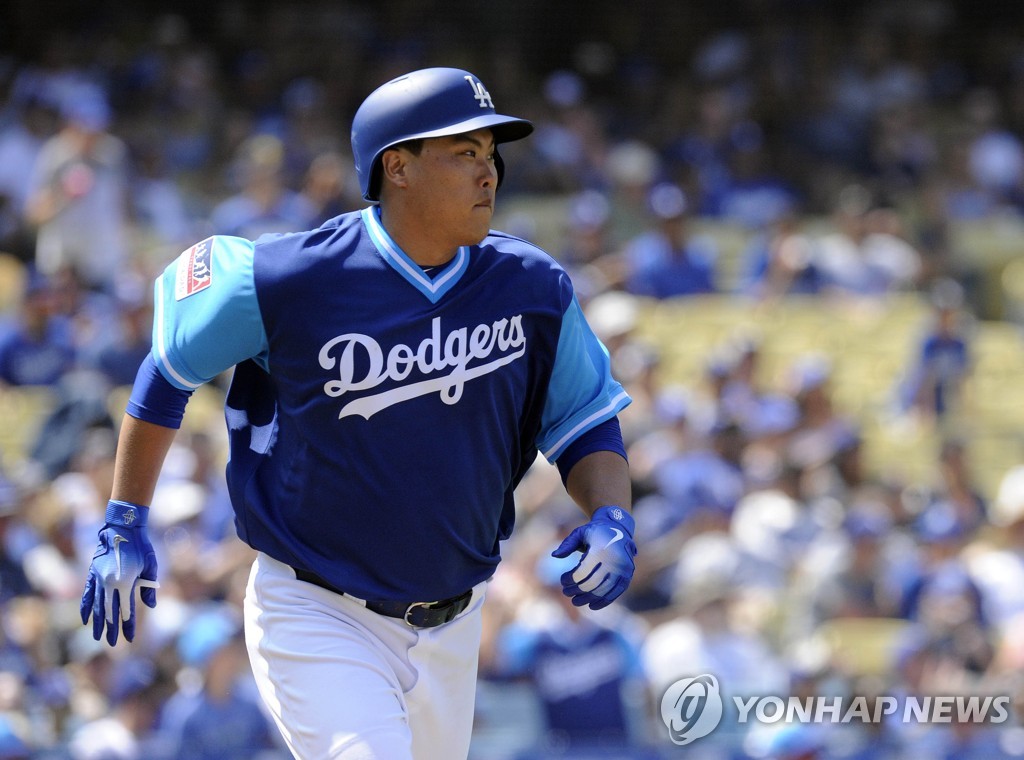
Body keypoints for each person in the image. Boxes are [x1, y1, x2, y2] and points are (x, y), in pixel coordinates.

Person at [79, 67, 637, 760]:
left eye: (492, 153)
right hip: (318, 610)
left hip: (456, 623)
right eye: (464, 152)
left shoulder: (532, 287)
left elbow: (585, 423)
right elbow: (168, 371)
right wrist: (124, 519)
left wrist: (612, 515)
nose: (488, 172)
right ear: (396, 167)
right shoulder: (288, 279)